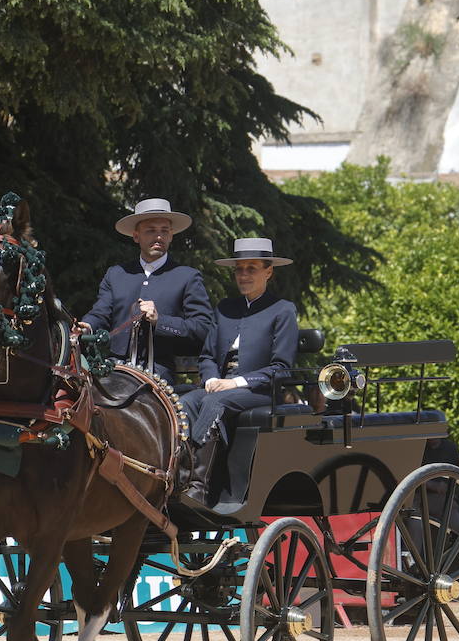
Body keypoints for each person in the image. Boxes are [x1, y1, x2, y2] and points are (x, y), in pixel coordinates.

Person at [176, 238, 297, 509]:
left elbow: (282, 368)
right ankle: (177, 478)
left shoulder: (283, 310)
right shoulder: (225, 309)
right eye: (239, 269)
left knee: (213, 402)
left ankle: (199, 486)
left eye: (251, 268)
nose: (243, 275)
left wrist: (234, 383)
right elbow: (207, 356)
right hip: (218, 386)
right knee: (183, 402)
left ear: (269, 272)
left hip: (260, 392)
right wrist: (209, 379)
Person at [75, 198, 213, 386]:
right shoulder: (116, 274)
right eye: (151, 230)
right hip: (113, 370)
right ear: (136, 236)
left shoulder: (187, 277)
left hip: (159, 375)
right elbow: (100, 313)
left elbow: (204, 329)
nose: (159, 237)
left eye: (164, 231)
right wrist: (86, 326)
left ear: (171, 235)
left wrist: (160, 321)